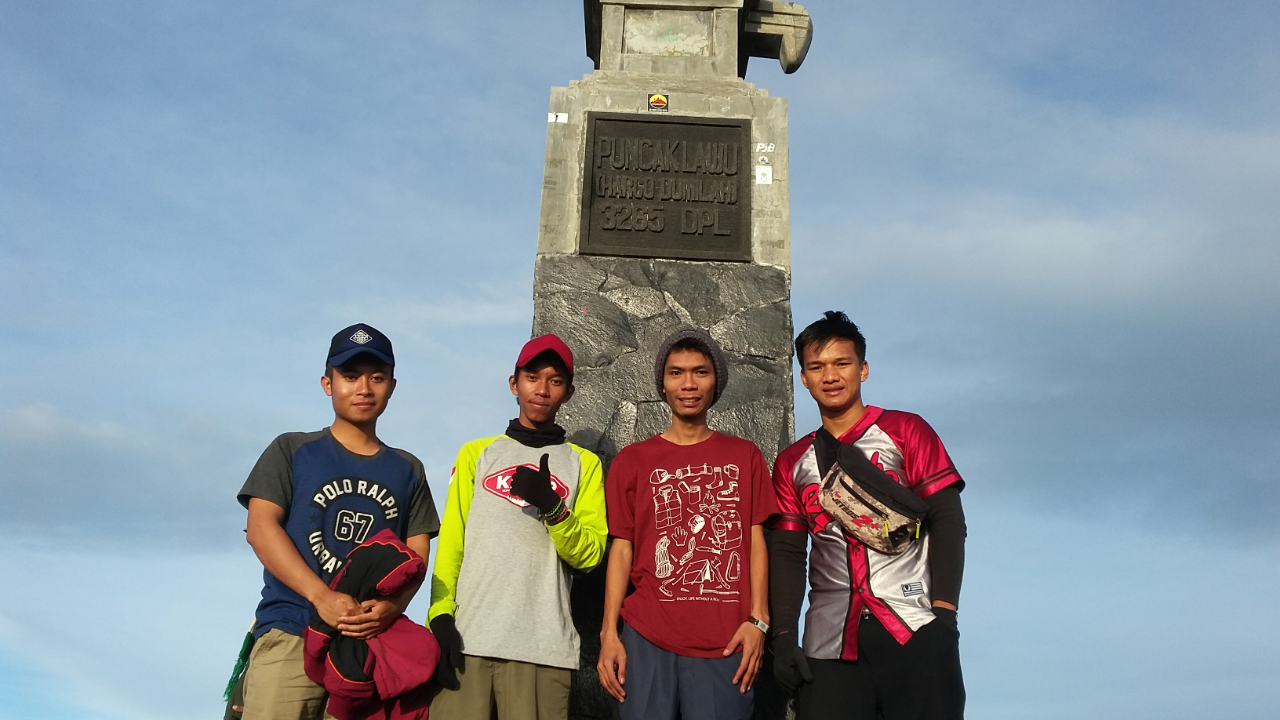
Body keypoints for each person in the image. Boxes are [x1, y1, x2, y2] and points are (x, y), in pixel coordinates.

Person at [236, 323, 441, 720]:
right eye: (349, 376)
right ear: (327, 383)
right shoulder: (293, 449)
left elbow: (417, 550)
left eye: (377, 377)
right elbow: (260, 529)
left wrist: (392, 606)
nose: (364, 388)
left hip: (366, 651)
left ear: (392, 387)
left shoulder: (408, 469)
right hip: (292, 630)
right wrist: (321, 597)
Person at [768, 311, 967, 720]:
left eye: (842, 363)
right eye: (816, 366)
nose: (830, 375)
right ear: (803, 378)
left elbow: (948, 519)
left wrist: (944, 615)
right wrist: (785, 638)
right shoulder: (792, 462)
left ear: (863, 368)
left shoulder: (907, 431)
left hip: (913, 626)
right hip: (829, 643)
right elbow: (787, 552)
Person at [597, 328, 778, 720]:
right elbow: (621, 548)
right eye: (676, 373)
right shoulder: (633, 461)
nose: (688, 384)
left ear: (716, 382)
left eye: (700, 372)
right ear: (662, 384)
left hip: (726, 640)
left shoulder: (744, 456)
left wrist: (758, 621)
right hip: (646, 636)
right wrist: (609, 632)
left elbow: (755, 539)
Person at [427, 334, 608, 720]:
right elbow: (452, 543)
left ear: (569, 392)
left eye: (555, 380)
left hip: (543, 650)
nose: (542, 389)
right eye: (532, 377)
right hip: (467, 641)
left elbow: (590, 557)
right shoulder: (476, 453)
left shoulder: (584, 465)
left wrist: (553, 507)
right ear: (514, 383)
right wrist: (439, 615)